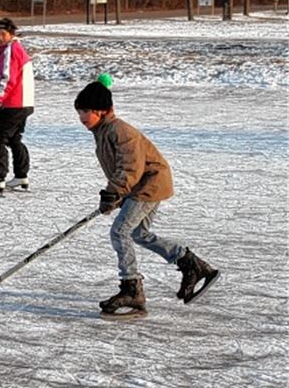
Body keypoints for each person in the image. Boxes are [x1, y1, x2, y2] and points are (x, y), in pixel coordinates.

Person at [74, 76, 219, 320]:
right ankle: (191, 263)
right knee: (138, 234)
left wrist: (114, 192)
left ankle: (132, 289)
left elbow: (130, 168)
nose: (82, 117)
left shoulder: (120, 131)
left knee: (120, 232)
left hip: (148, 186)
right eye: (79, 112)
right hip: (141, 187)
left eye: (86, 111)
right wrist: (116, 195)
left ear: (102, 110)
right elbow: (120, 169)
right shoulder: (103, 131)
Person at [0, 18, 34, 194]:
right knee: (14, 139)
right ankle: (21, 175)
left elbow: (8, 77)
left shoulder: (11, 49)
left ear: (11, 34)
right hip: (25, 102)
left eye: (2, 34)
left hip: (14, 103)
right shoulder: (16, 48)